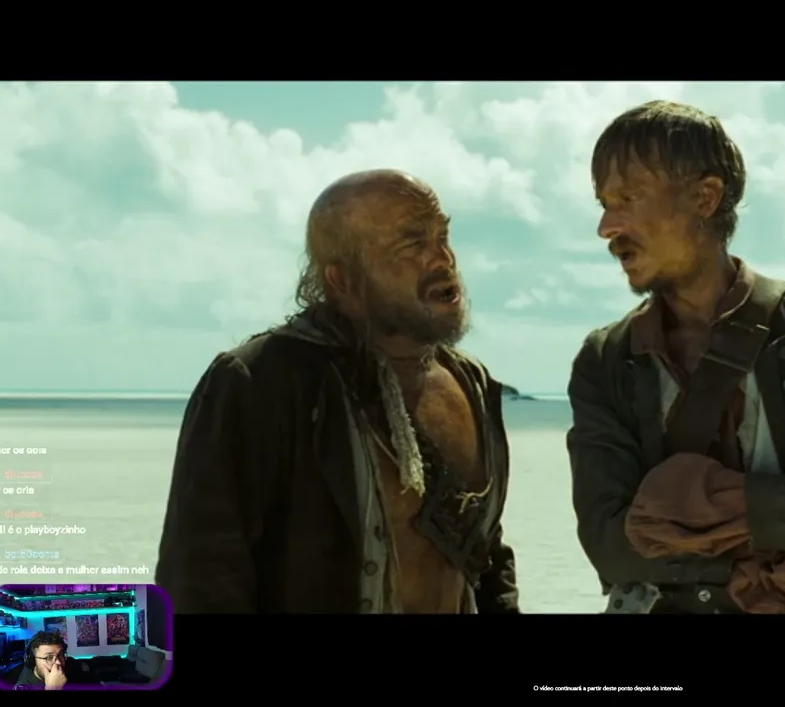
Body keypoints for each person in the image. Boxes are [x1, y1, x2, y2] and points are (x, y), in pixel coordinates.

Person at [567, 101, 785, 615]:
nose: (607, 226)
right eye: (603, 204)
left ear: (705, 197)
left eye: (628, 198)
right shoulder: (606, 360)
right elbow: (610, 546)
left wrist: (675, 516)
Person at [156, 169, 520, 614]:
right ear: (342, 280)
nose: (443, 259)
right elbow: (200, 577)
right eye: (413, 244)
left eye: (442, 236)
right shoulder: (261, 383)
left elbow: (487, 553)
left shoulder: (470, 382)